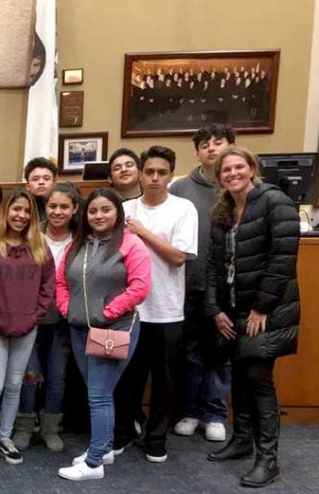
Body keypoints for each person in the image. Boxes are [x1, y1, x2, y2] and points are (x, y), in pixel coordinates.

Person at [205, 148, 299, 488]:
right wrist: (215, 310)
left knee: (259, 379)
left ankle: (268, 458)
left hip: (266, 310)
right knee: (240, 378)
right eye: (225, 170)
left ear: (252, 169)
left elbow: (283, 259)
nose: (232, 173)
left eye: (238, 167)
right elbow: (214, 267)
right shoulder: (222, 211)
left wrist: (261, 308)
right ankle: (243, 440)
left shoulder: (275, 202)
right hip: (231, 310)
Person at [55, 188, 151, 482]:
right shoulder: (77, 246)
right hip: (79, 329)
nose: (98, 215)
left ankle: (94, 462)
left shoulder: (132, 244)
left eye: (105, 210)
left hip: (114, 330)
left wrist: (106, 314)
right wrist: (66, 309)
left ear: (117, 213)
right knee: (97, 392)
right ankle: (105, 447)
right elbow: (61, 281)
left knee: (98, 395)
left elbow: (140, 287)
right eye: (93, 210)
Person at [113, 146, 198, 463]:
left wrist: (142, 231)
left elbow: (178, 257)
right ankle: (123, 432)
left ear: (171, 175)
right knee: (125, 378)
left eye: (161, 172)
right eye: (148, 171)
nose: (154, 178)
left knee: (164, 380)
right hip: (129, 311)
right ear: (140, 173)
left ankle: (156, 438)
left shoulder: (183, 208)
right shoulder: (124, 207)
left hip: (166, 310)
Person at [0, 189, 55, 465]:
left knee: (15, 385)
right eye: (16, 209)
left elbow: (47, 287)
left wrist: (34, 316)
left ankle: (5, 437)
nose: (22, 216)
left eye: (27, 211)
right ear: (6, 211)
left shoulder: (40, 244)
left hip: (27, 326)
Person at [171, 124, 236, 442]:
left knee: (219, 353)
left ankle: (215, 414)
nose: (212, 149)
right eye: (205, 144)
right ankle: (191, 410)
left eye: (218, 142)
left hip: (225, 289)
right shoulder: (180, 188)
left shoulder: (237, 187)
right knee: (189, 353)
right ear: (196, 151)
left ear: (231, 146)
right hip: (186, 285)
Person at [14, 183, 82, 452]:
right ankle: (24, 426)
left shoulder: (80, 240)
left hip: (62, 321)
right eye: (52, 206)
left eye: (64, 206)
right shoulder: (31, 237)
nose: (57, 211)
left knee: (57, 376)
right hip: (30, 319)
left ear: (75, 209)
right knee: (29, 374)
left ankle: (51, 427)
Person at [23, 157, 58, 225]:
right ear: (27, 186)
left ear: (54, 184)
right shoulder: (22, 211)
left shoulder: (61, 210)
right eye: (35, 179)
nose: (41, 182)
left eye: (46, 178)